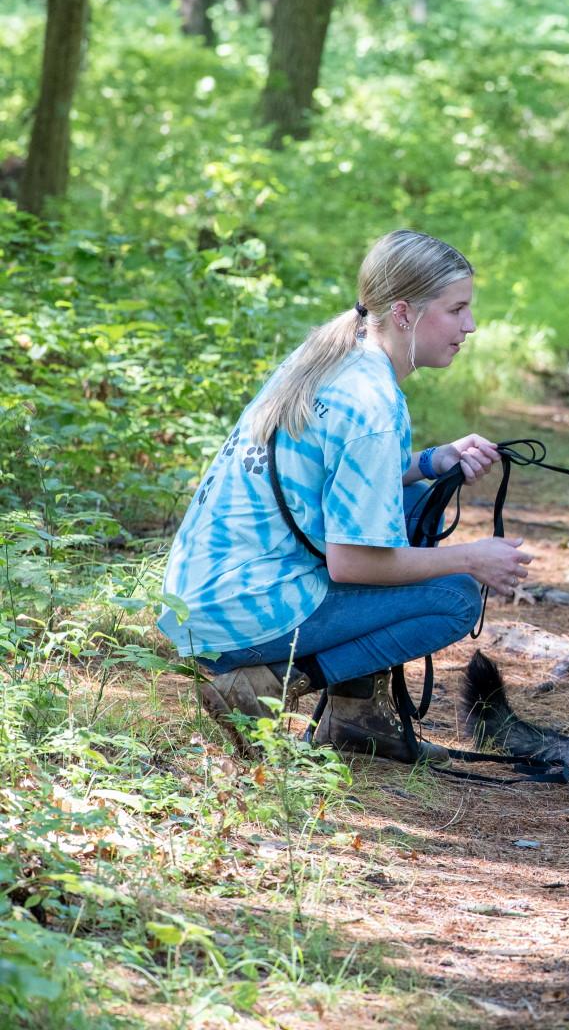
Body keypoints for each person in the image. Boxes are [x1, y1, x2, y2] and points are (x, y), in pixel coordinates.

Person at [163, 229, 533, 761]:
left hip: (200, 594)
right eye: (457, 310)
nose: (469, 326)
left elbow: (335, 474)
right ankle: (265, 683)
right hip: (239, 612)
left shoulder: (334, 357)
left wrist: (431, 462)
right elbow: (353, 562)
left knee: (413, 505)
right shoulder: (373, 404)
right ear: (404, 312)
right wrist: (471, 558)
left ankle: (353, 719)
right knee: (454, 596)